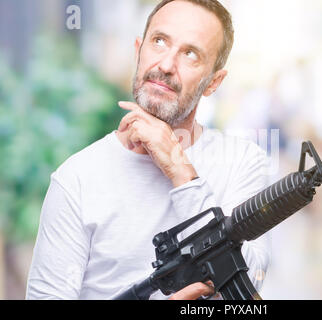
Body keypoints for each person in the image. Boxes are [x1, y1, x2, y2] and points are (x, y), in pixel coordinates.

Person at [26, 0, 271, 299]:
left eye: (190, 54)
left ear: (214, 82)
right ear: (138, 51)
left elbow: (252, 280)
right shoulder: (75, 180)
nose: (166, 65)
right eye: (159, 42)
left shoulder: (243, 163)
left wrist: (180, 171)